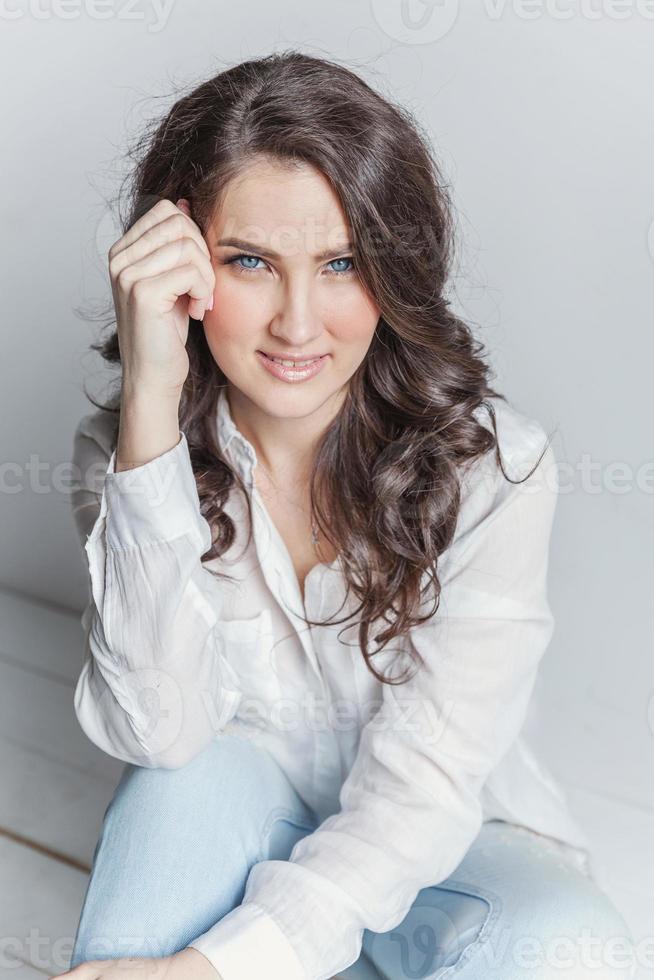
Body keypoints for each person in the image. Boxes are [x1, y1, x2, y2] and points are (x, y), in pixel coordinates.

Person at [62, 51, 635, 980]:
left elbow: (423, 795)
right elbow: (155, 732)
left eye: (340, 264)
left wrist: (215, 966)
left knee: (577, 950)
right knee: (180, 784)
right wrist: (151, 402)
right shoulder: (127, 451)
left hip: (448, 854)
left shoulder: (499, 469)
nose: (297, 324)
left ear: (394, 272)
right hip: (238, 816)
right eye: (249, 261)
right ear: (180, 267)